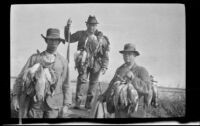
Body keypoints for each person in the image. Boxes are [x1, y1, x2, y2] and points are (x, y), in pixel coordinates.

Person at [11, 28, 71, 118]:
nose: (53, 42)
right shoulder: (34, 58)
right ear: (46, 40)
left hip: (54, 105)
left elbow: (66, 84)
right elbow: (20, 78)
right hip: (35, 103)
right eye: (51, 39)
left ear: (59, 42)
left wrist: (66, 105)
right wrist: (15, 97)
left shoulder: (63, 61)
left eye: (56, 40)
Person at [99, 43, 158, 117]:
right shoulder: (120, 70)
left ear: (135, 55)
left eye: (129, 54)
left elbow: (147, 88)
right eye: (125, 54)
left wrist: (133, 78)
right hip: (120, 109)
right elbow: (112, 86)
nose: (126, 56)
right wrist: (104, 96)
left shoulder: (142, 70)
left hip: (135, 111)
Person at [64, 15, 110, 110]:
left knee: (93, 83)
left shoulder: (102, 38)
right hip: (83, 62)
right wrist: (68, 27)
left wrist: (105, 66)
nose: (92, 27)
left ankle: (89, 105)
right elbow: (68, 39)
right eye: (90, 25)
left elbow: (105, 53)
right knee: (82, 81)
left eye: (94, 25)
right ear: (87, 25)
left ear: (96, 26)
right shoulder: (81, 34)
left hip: (97, 63)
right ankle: (77, 103)